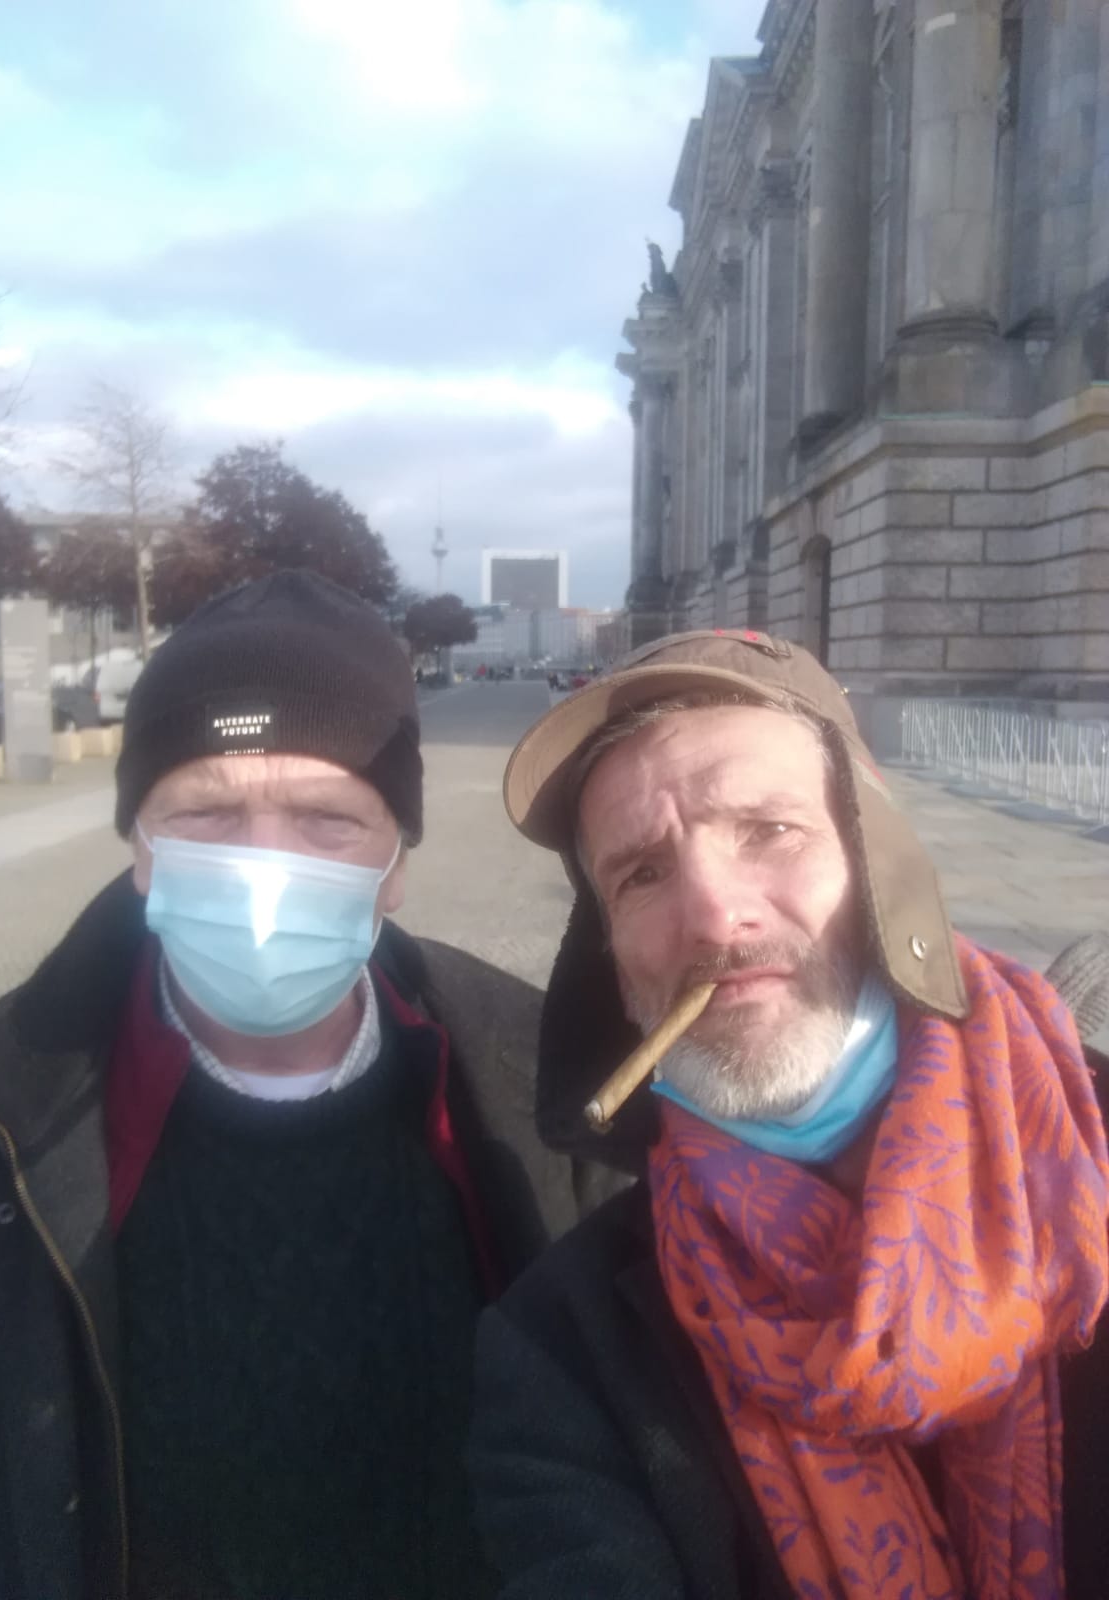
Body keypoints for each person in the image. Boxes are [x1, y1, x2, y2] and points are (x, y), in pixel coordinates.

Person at [0, 570, 614, 1600]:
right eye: (206, 812)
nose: (264, 867)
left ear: (398, 862)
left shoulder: (552, 1090)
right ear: (139, 856)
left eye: (327, 819)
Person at [471, 627, 1109, 1600]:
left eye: (769, 829)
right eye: (641, 873)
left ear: (876, 852)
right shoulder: (564, 1342)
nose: (716, 917)